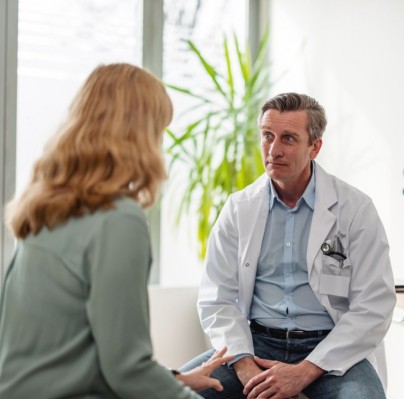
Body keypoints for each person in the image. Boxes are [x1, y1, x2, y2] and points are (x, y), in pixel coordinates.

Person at [0, 63, 233, 398]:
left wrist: (175, 380)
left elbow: (72, 355)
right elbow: (127, 370)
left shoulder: (46, 207)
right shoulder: (118, 219)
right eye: (159, 131)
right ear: (138, 134)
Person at [181, 92, 396, 399]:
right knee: (177, 393)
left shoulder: (355, 209)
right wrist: (245, 368)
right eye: (267, 136)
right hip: (254, 346)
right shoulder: (239, 208)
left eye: (289, 139)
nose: (274, 150)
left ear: (315, 147)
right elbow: (218, 299)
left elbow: (374, 305)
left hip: (330, 348)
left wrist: (305, 371)